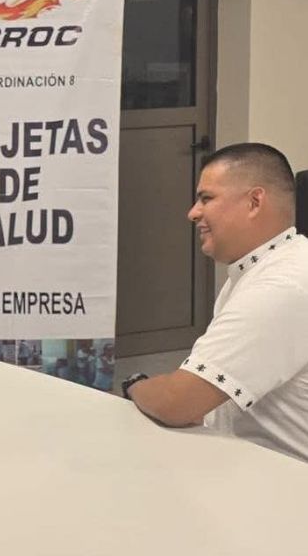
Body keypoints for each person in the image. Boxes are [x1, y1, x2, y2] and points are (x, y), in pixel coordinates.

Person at [123, 143, 308, 461]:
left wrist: (135, 384)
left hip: (285, 481)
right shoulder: (268, 265)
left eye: (206, 198)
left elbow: (177, 403)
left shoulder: (282, 286)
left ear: (254, 202)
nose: (193, 213)